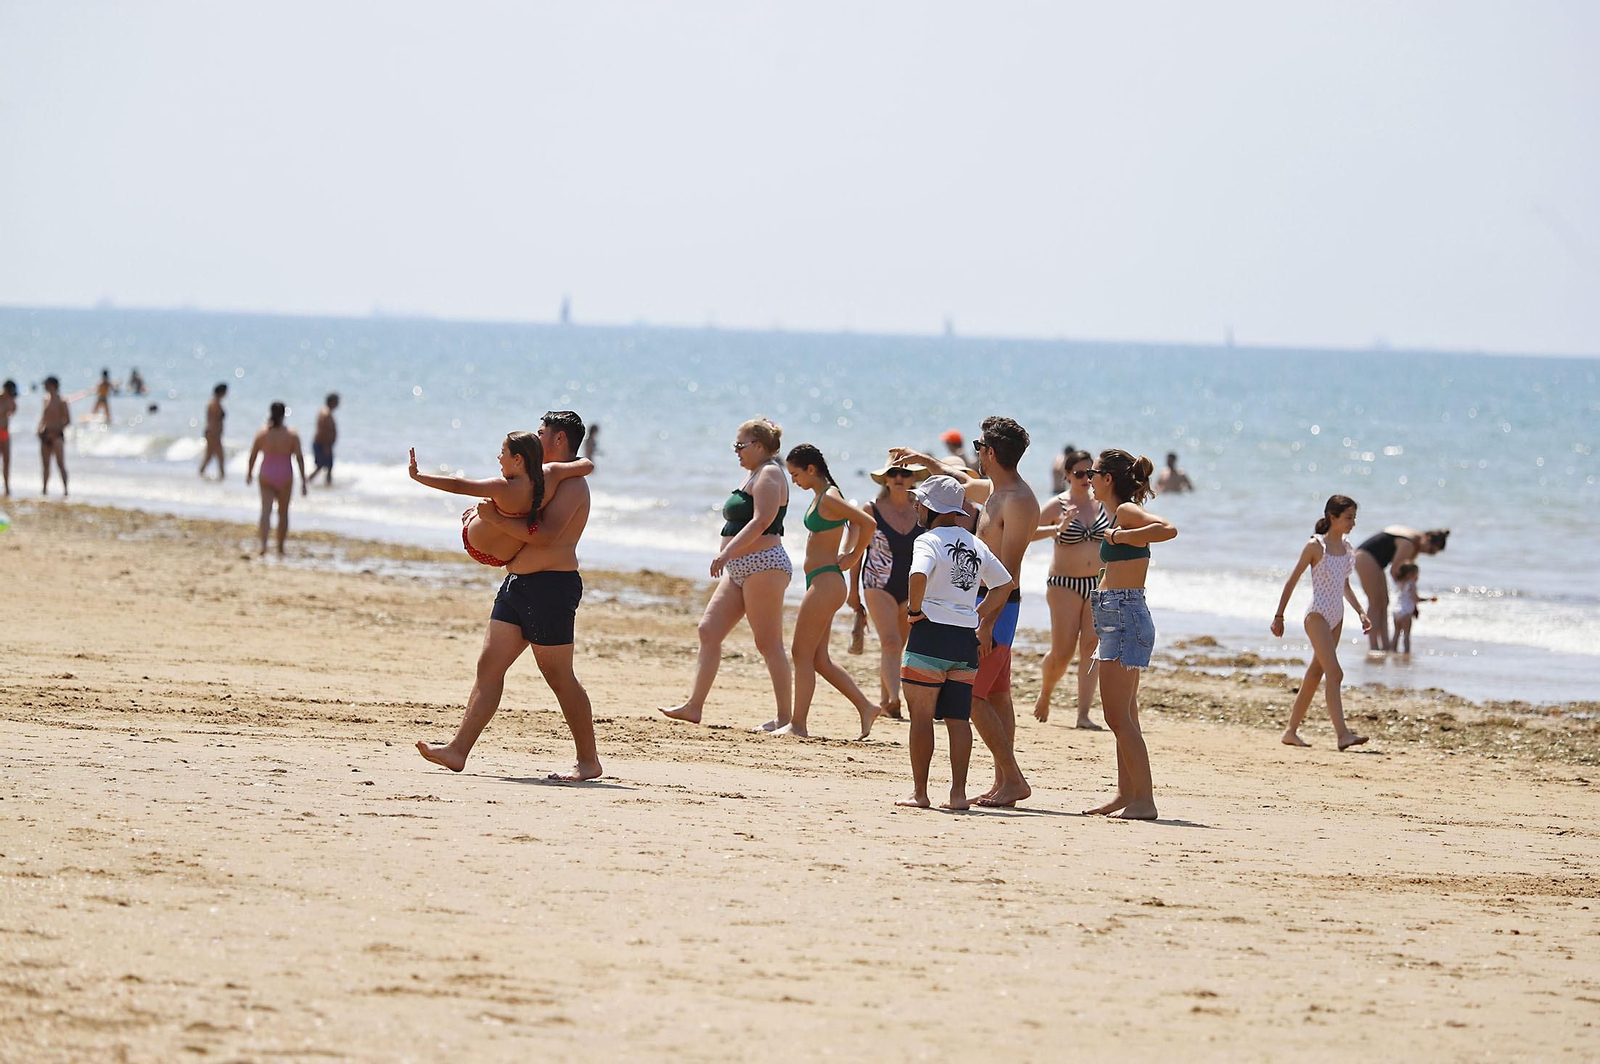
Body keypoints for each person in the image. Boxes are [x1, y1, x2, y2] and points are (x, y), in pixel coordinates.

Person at [417, 411, 602, 782]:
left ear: (560, 439)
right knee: (489, 666)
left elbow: (547, 536)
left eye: (541, 432)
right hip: (517, 585)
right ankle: (457, 750)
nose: (536, 437)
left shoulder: (571, 485)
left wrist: (496, 520)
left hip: (551, 588)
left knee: (559, 676)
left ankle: (588, 760)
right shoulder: (537, 480)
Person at [892, 415, 1039, 808]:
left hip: (997, 608)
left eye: (978, 447)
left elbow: (1008, 573)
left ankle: (1013, 778)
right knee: (998, 695)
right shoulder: (995, 489)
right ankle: (1004, 782)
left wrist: (985, 622)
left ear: (989, 452)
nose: (976, 454)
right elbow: (955, 481)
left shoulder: (1018, 500)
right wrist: (923, 460)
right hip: (984, 605)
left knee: (970, 696)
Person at [660, 418, 793, 729]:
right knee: (708, 630)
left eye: (740, 445)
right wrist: (731, 556)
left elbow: (762, 521)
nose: (736, 451)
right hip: (738, 569)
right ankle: (694, 706)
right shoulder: (754, 473)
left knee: (768, 643)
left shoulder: (771, 473)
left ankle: (785, 718)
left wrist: (727, 552)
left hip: (764, 565)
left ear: (759, 446)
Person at [896, 475, 1015, 811]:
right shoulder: (975, 543)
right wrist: (976, 614)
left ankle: (920, 793)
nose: (916, 507)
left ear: (930, 507)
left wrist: (914, 611)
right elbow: (1004, 585)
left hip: (930, 635)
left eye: (920, 502)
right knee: (958, 720)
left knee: (921, 718)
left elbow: (918, 574)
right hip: (964, 640)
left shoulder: (928, 540)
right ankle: (958, 795)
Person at [1085, 449, 1178, 819]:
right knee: (1125, 715)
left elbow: (1167, 529)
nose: (1089, 480)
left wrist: (1123, 536)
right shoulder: (1117, 515)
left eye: (1092, 473)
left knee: (1117, 717)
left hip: (1124, 615)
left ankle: (1145, 800)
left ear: (1107, 478)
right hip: (1118, 615)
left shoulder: (1125, 511)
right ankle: (1127, 793)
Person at [781, 443, 879, 739]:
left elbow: (868, 523)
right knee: (819, 660)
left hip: (826, 582)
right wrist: (848, 548)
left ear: (811, 469)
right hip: (821, 581)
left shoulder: (830, 496)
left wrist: (852, 556)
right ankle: (866, 707)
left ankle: (798, 725)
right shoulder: (824, 496)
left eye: (796, 474)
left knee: (800, 652)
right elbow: (852, 526)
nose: (794, 481)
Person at [1272, 495, 1371, 750]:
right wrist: (1279, 616)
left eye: (1354, 518)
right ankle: (1343, 735)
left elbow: (1344, 585)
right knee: (1335, 673)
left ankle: (1290, 732)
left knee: (1315, 674)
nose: (1353, 523)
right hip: (1316, 616)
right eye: (1348, 518)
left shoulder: (1347, 549)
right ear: (1332, 517)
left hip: (1337, 617)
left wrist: (1361, 612)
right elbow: (1292, 581)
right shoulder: (1316, 547)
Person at [408, 436, 591, 568]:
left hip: (474, 544)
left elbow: (457, 485)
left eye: (503, 452)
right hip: (504, 557)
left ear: (517, 459)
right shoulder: (552, 475)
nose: (499, 457)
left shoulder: (501, 487)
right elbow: (587, 465)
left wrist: (418, 476)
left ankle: (474, 514)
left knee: (484, 504)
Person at [848, 457, 929, 721]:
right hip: (877, 584)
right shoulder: (870, 510)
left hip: (912, 587)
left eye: (905, 474)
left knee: (898, 646)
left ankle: (884, 701)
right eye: (893, 473)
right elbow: (857, 553)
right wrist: (852, 591)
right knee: (891, 641)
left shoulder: (922, 510)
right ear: (885, 478)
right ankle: (895, 699)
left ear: (913, 479)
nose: (899, 478)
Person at [1031, 448, 1107, 729]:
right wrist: (1056, 529)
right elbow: (1027, 532)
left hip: (1097, 584)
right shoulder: (1057, 505)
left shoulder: (1104, 505)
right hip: (1064, 584)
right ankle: (1045, 693)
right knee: (1062, 652)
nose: (1086, 478)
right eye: (1079, 473)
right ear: (1067, 475)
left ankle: (1083, 715)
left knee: (1091, 648)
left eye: (1091, 473)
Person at [1352, 525, 1450, 650]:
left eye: (1432, 553)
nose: (1427, 553)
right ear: (1428, 538)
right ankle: (1373, 645)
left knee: (1384, 603)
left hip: (1375, 561)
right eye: (1430, 550)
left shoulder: (1414, 539)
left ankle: (1385, 645)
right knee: (1375, 603)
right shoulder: (1409, 543)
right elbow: (1395, 570)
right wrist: (1407, 591)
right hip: (1366, 557)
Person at [245, 402, 307, 555]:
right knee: (283, 513)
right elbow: (299, 458)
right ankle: (280, 547)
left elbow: (253, 455)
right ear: (284, 414)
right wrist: (303, 481)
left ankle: (263, 545)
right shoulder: (292, 435)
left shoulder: (263, 433)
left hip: (267, 473)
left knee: (265, 511)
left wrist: (249, 473)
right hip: (285, 475)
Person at [1390, 562, 1436, 655]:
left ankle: (1393, 651)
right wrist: (1429, 599)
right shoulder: (1411, 584)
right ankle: (1406, 653)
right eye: (1416, 574)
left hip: (1396, 610)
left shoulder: (1400, 583)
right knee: (1406, 635)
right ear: (1410, 574)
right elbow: (1415, 599)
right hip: (1406, 611)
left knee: (1396, 634)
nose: (1417, 577)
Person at [37, 376, 69, 496]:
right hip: (46, 435)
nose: (45, 386)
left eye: (46, 384)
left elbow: (67, 420)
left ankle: (65, 490)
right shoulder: (46, 399)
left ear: (52, 385)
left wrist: (55, 432)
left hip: (57, 436)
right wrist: (39, 429)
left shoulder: (62, 401)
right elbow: (43, 418)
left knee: (60, 464)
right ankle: (44, 490)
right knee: (45, 465)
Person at [199, 383, 228, 480]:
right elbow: (213, 421)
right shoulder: (214, 404)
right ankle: (222, 477)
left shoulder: (215, 403)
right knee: (220, 457)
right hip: (213, 433)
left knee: (209, 456)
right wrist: (215, 435)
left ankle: (200, 473)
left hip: (213, 433)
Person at [310, 393, 339, 485]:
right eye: (337, 401)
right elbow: (323, 431)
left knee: (326, 467)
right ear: (332, 402)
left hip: (324, 444)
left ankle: (327, 485)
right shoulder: (326, 414)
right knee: (321, 466)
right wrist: (326, 446)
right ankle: (307, 482)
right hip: (323, 444)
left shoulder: (326, 412)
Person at [0, 380, 16, 497]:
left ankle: (6, 487)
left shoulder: (10, 400)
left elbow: (14, 410)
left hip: (5, 433)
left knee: (6, 462)